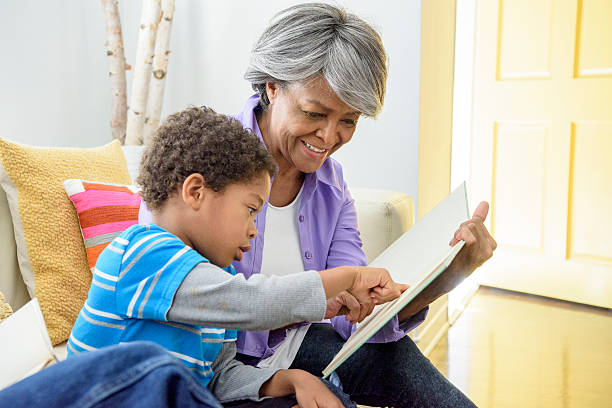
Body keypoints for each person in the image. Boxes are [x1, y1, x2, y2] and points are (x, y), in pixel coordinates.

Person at [1, 106, 408, 408]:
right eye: (251, 210)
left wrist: (282, 379)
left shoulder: (213, 278)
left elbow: (219, 377)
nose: (254, 228)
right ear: (195, 192)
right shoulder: (141, 253)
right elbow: (251, 302)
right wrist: (347, 278)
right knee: (159, 369)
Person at [225, 3, 497, 407]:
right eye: (314, 113)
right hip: (223, 366)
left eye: (349, 121)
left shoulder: (331, 185)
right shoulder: (211, 162)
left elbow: (354, 319)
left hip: (296, 345)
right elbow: (200, 300)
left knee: (406, 366)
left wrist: (451, 274)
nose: (329, 137)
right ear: (272, 86)